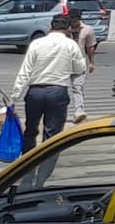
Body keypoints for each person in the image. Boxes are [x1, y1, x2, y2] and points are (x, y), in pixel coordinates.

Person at [9, 13, 87, 146]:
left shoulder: (37, 43)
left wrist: (14, 98)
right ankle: (46, 165)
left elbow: (25, 72)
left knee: (30, 130)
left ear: (51, 26)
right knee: (52, 136)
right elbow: (80, 68)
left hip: (35, 92)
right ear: (68, 28)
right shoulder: (71, 45)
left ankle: (28, 163)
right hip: (58, 92)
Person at [67, 10, 99, 122]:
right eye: (71, 21)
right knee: (60, 87)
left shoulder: (87, 30)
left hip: (79, 63)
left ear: (79, 19)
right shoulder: (64, 29)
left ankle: (79, 110)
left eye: (75, 21)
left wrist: (91, 63)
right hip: (63, 63)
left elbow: (90, 47)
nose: (73, 23)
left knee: (78, 87)